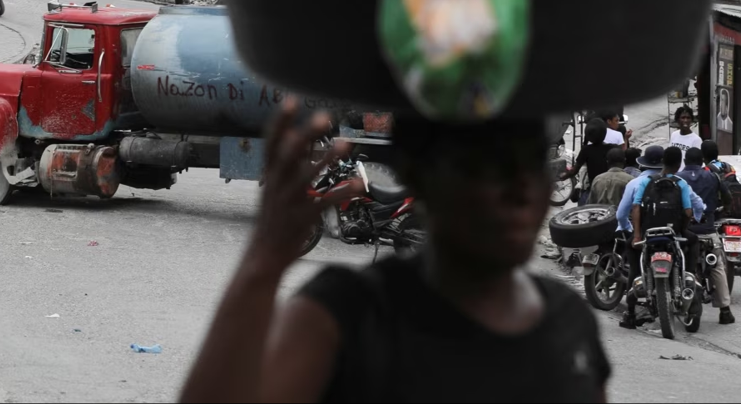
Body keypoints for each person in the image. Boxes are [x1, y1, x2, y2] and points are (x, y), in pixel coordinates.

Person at [179, 106, 610, 402]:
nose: (520, 190)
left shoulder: (569, 321)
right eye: (489, 167)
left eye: (531, 165)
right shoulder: (342, 314)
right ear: (422, 174)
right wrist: (263, 263)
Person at [616, 146, 705, 329]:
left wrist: (637, 235)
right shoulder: (681, 183)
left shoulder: (644, 182)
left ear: (663, 161)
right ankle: (689, 275)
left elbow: (636, 208)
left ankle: (630, 312)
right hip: (673, 235)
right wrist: (682, 229)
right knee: (694, 241)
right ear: (679, 163)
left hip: (648, 234)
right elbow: (688, 211)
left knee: (634, 264)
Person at [678, 146, 735, 324]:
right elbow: (727, 198)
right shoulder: (713, 176)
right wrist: (724, 209)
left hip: (685, 232)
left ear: (685, 161)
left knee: (679, 264)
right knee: (717, 266)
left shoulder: (678, 178)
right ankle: (725, 310)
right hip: (708, 230)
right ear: (702, 161)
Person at [572, 119, 613, 203]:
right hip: (609, 189)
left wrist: (564, 176)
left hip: (592, 190)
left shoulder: (586, 150)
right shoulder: (612, 148)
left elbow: (574, 170)